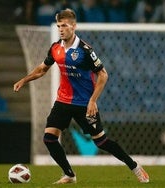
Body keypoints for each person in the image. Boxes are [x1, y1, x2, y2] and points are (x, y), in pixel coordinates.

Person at [13, 8, 149, 184]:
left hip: (84, 103)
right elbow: (42, 69)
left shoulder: (85, 50)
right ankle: (69, 175)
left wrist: (93, 100)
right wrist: (24, 80)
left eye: (64, 25)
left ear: (74, 26)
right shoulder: (55, 48)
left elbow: (103, 75)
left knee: (101, 142)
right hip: (63, 101)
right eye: (59, 25)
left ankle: (135, 166)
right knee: (49, 138)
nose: (61, 29)